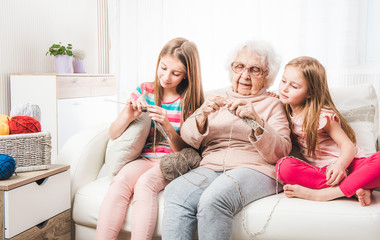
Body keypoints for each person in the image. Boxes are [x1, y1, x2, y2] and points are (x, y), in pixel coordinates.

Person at [162, 40, 292, 240]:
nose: (245, 75)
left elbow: (281, 152)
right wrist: (202, 114)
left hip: (255, 169)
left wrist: (256, 121)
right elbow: (187, 139)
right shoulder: (215, 98)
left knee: (214, 199)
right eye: (239, 67)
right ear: (232, 68)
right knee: (176, 192)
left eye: (255, 69)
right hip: (211, 166)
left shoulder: (273, 104)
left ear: (267, 75)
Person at [95, 37, 204, 240]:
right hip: (145, 158)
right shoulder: (145, 91)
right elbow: (113, 133)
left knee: (145, 185)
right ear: (158, 61)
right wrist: (128, 115)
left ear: (187, 75)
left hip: (171, 161)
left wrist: (167, 126)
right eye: (163, 68)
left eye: (176, 73)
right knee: (120, 183)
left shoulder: (190, 102)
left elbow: (188, 152)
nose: (166, 77)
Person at [276, 56, 380, 206]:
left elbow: (348, 146)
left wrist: (340, 165)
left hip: (350, 165)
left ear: (310, 93)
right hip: (323, 173)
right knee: (283, 167)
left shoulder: (321, 116)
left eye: (294, 86)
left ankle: (325, 194)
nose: (284, 88)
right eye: (283, 81)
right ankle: (356, 188)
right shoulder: (283, 108)